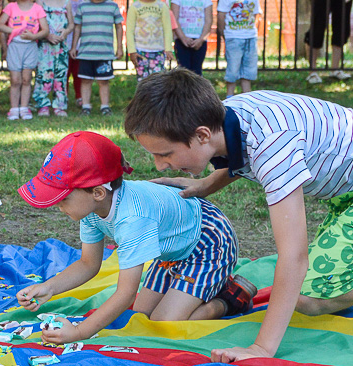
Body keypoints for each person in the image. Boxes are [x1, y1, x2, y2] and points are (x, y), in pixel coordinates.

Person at [124, 69, 353, 363]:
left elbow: (294, 257)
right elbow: (238, 155)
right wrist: (207, 184)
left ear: (202, 135)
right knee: (323, 281)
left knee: (308, 296)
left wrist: (261, 347)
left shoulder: (272, 145)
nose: (160, 165)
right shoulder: (227, 116)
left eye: (164, 154)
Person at [17, 132, 253, 343]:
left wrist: (79, 332)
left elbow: (126, 293)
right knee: (141, 315)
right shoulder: (92, 207)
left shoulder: (133, 218)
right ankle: (201, 288)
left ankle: (229, 298)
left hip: (209, 241)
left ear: (98, 192)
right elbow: (88, 264)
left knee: (163, 324)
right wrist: (48, 287)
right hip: (174, 248)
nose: (57, 205)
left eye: (63, 198)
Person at [70, 0, 122, 116]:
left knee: (103, 81)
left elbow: (119, 26)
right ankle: (86, 106)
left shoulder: (112, 6)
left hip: (104, 53)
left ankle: (105, 106)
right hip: (86, 52)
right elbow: (77, 27)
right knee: (85, 80)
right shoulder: (83, 7)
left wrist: (119, 47)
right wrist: (74, 47)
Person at [0, 0, 47, 120]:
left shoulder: (37, 8)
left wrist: (33, 36)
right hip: (15, 47)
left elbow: (45, 30)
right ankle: (14, 108)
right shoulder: (11, 7)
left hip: (30, 47)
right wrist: (13, 31)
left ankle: (24, 107)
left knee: (26, 79)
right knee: (15, 79)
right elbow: (0, 25)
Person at [34, 0, 75, 117]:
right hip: (45, 46)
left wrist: (65, 32)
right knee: (44, 74)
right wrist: (47, 35)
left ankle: (60, 105)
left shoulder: (66, 2)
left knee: (61, 75)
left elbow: (71, 24)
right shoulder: (40, 2)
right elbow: (37, 24)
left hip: (61, 47)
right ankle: (43, 104)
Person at [217, 0, 262, 97]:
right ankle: (230, 95)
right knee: (233, 67)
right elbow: (221, 16)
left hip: (250, 37)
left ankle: (247, 96)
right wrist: (224, 33)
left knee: (249, 68)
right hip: (234, 37)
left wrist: (253, 31)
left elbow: (257, 15)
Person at [127, 0, 174, 80]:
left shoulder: (162, 7)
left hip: (158, 51)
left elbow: (167, 29)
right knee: (143, 81)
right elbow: (130, 31)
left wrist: (168, 48)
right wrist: (132, 51)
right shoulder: (135, 7)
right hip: (140, 51)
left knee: (158, 80)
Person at [171, 0, 213, 75]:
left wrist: (201, 39)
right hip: (182, 40)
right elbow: (174, 19)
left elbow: (209, 21)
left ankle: (197, 88)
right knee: (183, 71)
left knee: (197, 71)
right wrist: (183, 38)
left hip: (199, 41)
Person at [62, 0, 86, 105]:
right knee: (65, 71)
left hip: (78, 44)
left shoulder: (82, 3)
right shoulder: (63, 2)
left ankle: (79, 96)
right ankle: (63, 96)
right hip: (65, 42)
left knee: (78, 72)